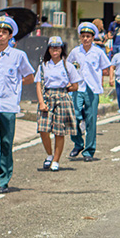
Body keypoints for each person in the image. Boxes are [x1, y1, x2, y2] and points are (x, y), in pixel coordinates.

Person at [0, 15, 35, 193]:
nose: (1, 35)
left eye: (5, 33)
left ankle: (4, 178)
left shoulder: (18, 56)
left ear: (11, 36)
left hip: (8, 103)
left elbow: (29, 76)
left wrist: (16, 85)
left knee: (6, 141)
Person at [66, 22, 112, 161]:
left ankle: (89, 151)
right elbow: (68, 67)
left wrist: (105, 80)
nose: (86, 39)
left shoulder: (98, 52)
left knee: (91, 120)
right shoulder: (75, 51)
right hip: (78, 88)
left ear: (93, 38)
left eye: (88, 36)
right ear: (80, 37)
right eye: (83, 36)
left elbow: (107, 66)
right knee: (74, 117)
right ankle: (78, 143)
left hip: (92, 88)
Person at [35, 36, 81, 172]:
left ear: (62, 49)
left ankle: (56, 160)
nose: (55, 50)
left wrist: (67, 88)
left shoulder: (68, 65)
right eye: (52, 47)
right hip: (47, 97)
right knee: (43, 129)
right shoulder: (43, 66)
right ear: (48, 49)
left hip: (62, 97)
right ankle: (49, 154)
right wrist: (41, 102)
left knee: (59, 131)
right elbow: (38, 85)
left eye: (58, 47)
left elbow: (75, 86)